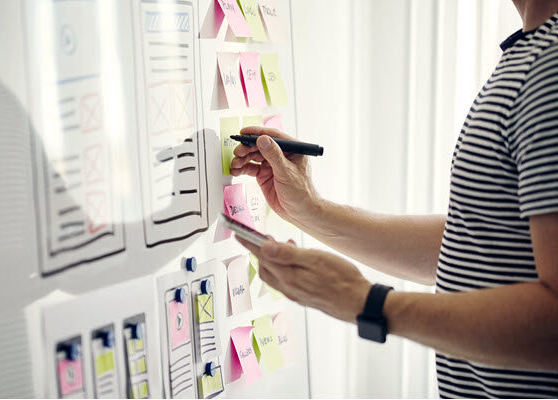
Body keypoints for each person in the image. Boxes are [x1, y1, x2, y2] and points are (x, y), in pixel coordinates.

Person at [230, 0, 558, 398]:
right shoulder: (532, 51)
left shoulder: (549, 68)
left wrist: (369, 303)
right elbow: (483, 243)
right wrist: (312, 211)